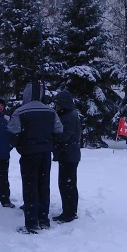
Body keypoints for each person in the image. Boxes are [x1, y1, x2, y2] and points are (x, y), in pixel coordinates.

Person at [7, 82, 63, 234]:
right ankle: (43, 219)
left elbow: (12, 132)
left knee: (30, 187)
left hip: (28, 154)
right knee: (43, 186)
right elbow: (59, 130)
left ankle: (31, 223)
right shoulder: (50, 111)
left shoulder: (20, 112)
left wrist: (20, 145)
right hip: (45, 153)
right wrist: (49, 142)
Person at [52, 91, 81, 223]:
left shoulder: (70, 117)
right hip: (68, 155)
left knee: (67, 184)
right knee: (66, 184)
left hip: (68, 155)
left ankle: (69, 212)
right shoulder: (68, 115)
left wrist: (52, 137)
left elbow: (64, 136)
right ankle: (69, 210)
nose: (55, 106)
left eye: (57, 104)